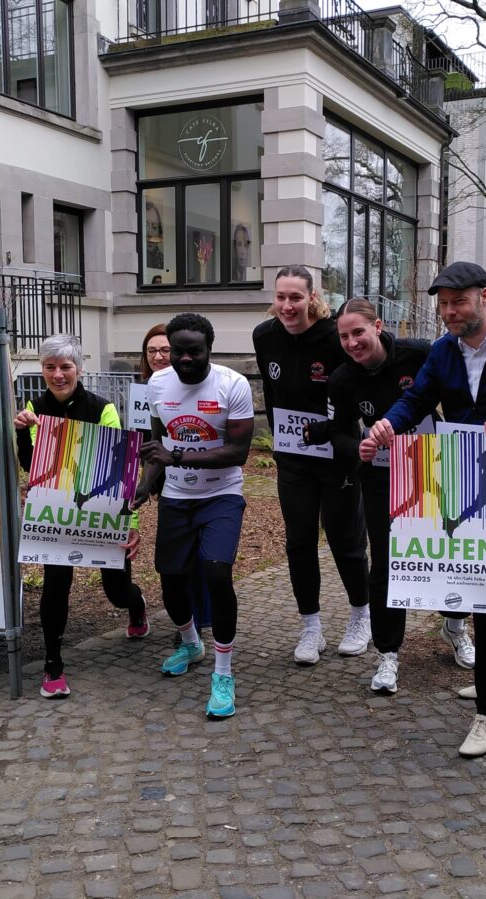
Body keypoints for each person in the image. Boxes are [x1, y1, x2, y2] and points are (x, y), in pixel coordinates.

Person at [368, 261, 486, 758]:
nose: (449, 312)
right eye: (443, 303)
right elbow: (418, 400)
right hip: (456, 477)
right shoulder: (443, 351)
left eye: (459, 301)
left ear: (484, 297)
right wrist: (388, 426)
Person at [306, 298, 433, 694]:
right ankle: (388, 654)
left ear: (377, 326)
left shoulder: (419, 354)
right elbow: (340, 432)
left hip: (432, 466)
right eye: (343, 336)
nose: (351, 342)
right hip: (381, 476)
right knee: (386, 564)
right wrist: (354, 448)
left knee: (441, 554)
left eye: (358, 332)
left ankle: (456, 626)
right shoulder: (342, 379)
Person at [13, 334, 149, 700]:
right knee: (56, 585)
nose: (58, 374)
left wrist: (130, 526)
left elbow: (121, 471)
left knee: (116, 591)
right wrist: (22, 432)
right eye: (50, 367)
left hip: (101, 512)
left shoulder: (102, 409)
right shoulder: (33, 408)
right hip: (56, 512)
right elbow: (29, 464)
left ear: (79, 369)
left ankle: (136, 608)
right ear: (42, 370)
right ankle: (52, 665)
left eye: (65, 367)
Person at [135, 313, 254, 719]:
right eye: (178, 351)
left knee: (217, 573)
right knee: (170, 577)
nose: (184, 358)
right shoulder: (156, 384)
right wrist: (147, 482)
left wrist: (177, 456)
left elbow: (238, 452)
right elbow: (157, 443)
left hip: (221, 494)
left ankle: (223, 673)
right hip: (176, 497)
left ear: (208, 350)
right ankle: (190, 642)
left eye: (194, 351)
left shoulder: (231, 385)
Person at [253, 265, 371, 665]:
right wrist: (282, 440)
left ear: (312, 297)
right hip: (292, 457)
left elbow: (357, 386)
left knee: (345, 541)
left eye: (296, 298)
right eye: (281, 297)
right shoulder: (263, 336)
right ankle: (311, 627)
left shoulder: (333, 336)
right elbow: (270, 392)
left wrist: (340, 433)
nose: (287, 306)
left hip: (337, 454)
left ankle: (361, 616)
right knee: (299, 541)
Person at [139, 324, 212, 645]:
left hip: (194, 475)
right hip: (160, 474)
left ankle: (200, 618)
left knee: (200, 558)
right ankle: (186, 624)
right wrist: (145, 480)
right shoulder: (147, 387)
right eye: (151, 351)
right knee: (174, 562)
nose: (158, 356)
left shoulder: (198, 384)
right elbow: (146, 435)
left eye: (163, 350)